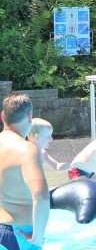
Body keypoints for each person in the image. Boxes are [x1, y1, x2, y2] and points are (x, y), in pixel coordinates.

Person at [0, 93, 49, 250]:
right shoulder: (27, 150)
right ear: (29, 116)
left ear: (3, 116)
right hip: (18, 233)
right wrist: (38, 238)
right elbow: (41, 197)